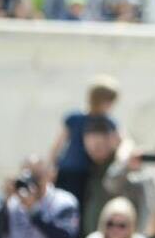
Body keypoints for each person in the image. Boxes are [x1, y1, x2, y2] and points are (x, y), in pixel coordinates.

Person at [52, 76, 121, 220]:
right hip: (70, 170)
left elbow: (120, 141)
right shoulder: (75, 118)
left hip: (90, 173)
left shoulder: (108, 121)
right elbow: (58, 144)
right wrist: (52, 166)